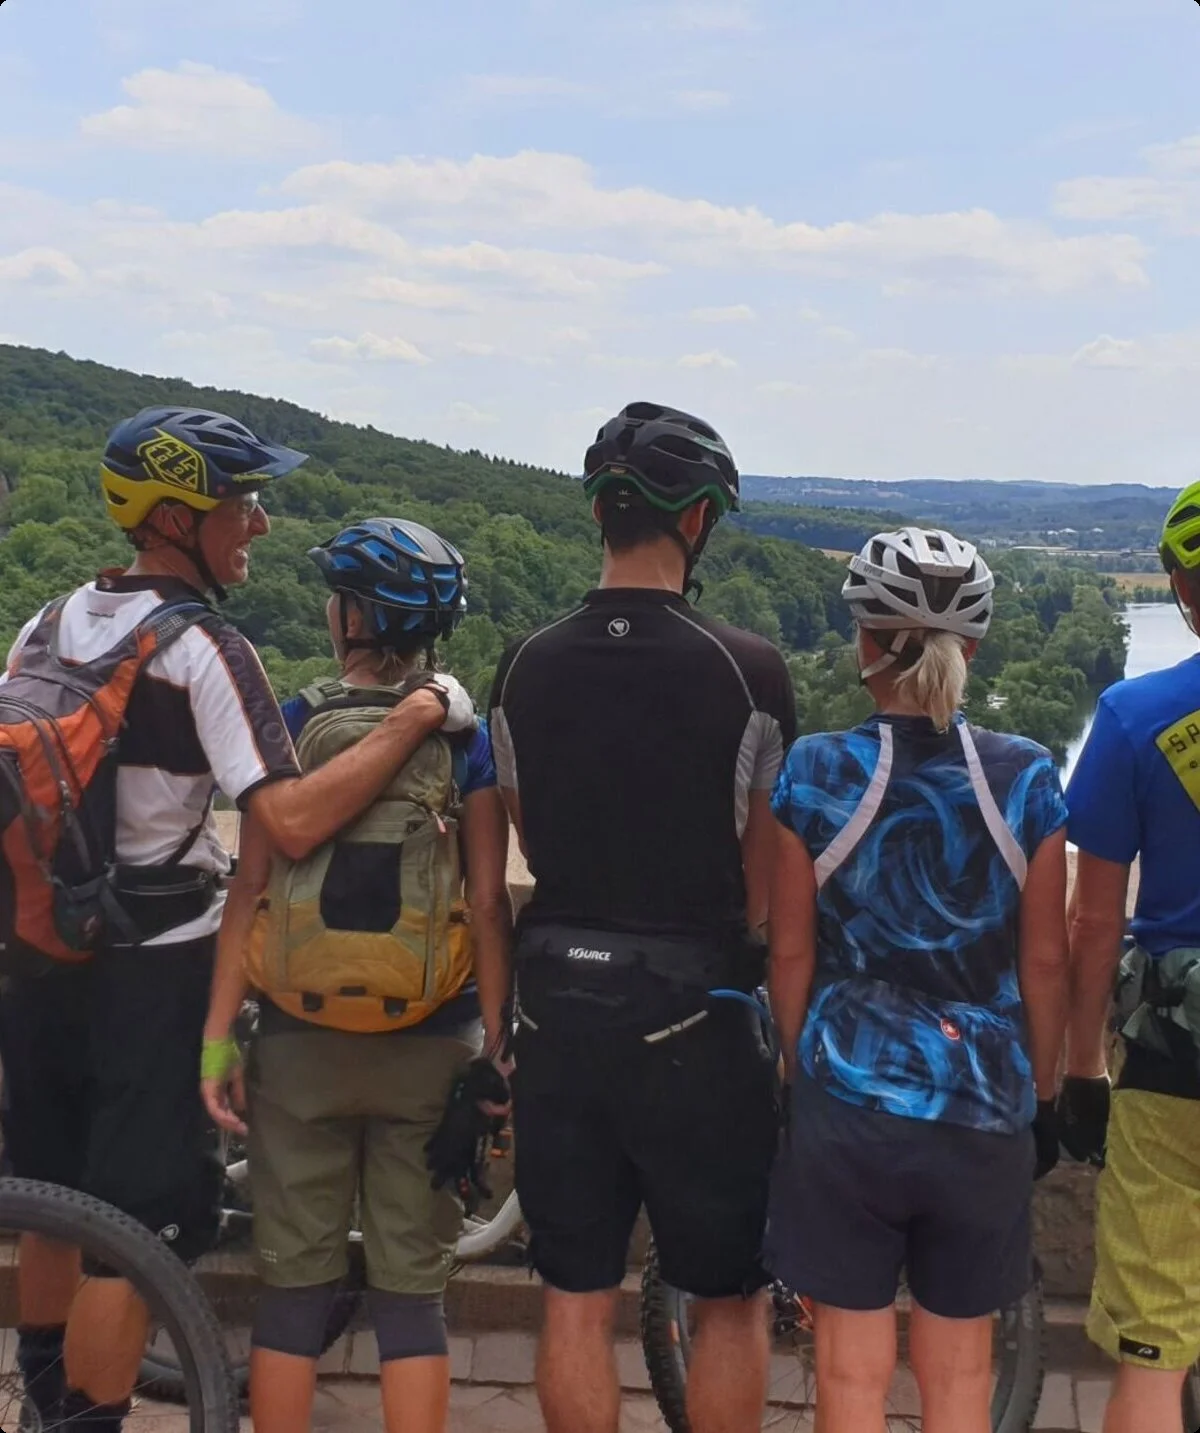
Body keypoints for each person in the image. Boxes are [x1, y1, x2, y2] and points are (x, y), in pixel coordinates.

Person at [0, 410, 475, 1432]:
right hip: (156, 970)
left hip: (42, 950)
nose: (257, 524)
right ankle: (83, 1422)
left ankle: (39, 1396)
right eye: (241, 502)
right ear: (178, 518)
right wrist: (415, 716)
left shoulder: (45, 621)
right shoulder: (206, 646)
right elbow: (292, 819)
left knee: (50, 1198)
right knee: (129, 1234)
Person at [488, 401, 794, 1433]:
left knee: (574, 1295)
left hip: (556, 1003)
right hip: (695, 1010)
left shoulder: (524, 663)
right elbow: (764, 874)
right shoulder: (747, 668)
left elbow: (528, 833)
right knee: (728, 1297)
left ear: (600, 516)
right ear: (698, 518)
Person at [201, 517, 512, 1433]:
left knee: (292, 1295)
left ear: (348, 616)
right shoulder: (465, 739)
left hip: (298, 1045)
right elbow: (489, 901)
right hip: (430, 1039)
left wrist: (220, 1037)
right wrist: (498, 1042)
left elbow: (249, 889)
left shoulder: (294, 722)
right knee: (412, 1299)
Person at [765, 527, 1069, 1433]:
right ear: (971, 648)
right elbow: (1045, 958)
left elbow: (789, 953)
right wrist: (1043, 1089)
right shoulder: (1026, 777)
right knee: (962, 1373)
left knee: (851, 1375)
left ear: (864, 640)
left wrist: (796, 1070)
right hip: (982, 1107)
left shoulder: (817, 771)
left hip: (847, 1101)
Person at [1059, 482, 1200, 1433]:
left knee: (1154, 1356)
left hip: (1170, 1062)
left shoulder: (1132, 714)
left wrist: (1078, 1069)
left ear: (1182, 585)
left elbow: (1093, 922)